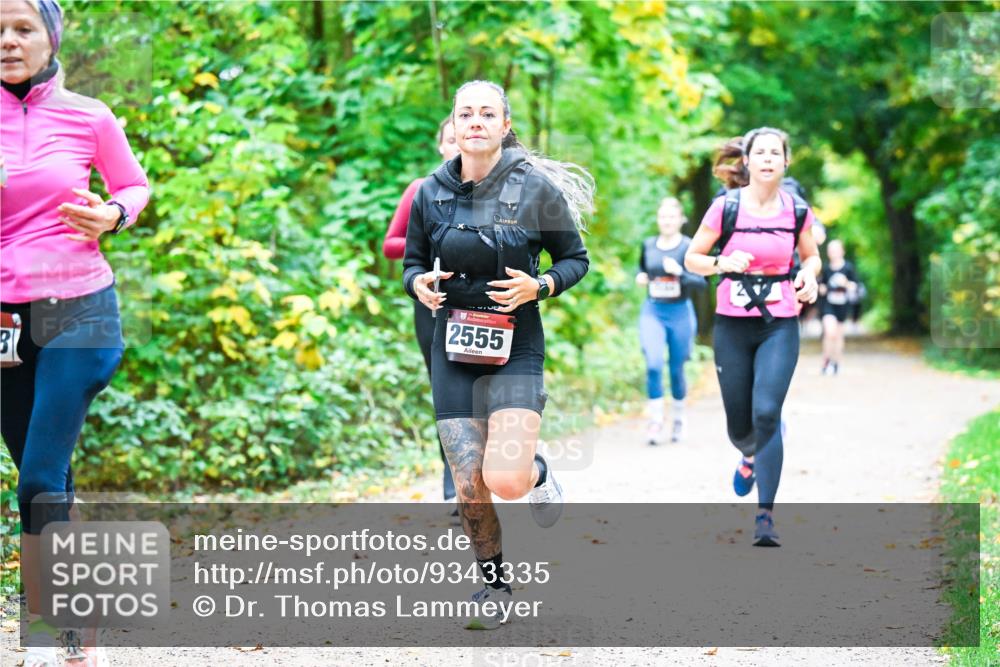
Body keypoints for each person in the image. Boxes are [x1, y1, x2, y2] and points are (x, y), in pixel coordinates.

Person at [402, 80, 591, 628]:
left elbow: (575, 259)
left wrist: (541, 286)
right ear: (454, 125)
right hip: (453, 343)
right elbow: (412, 263)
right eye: (466, 114)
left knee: (504, 479)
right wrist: (419, 285)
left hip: (515, 344)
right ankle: (494, 584)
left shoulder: (534, 188)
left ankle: (536, 472)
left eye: (487, 114)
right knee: (468, 481)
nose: (476, 122)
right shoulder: (430, 192)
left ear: (505, 126)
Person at [1, 1, 150, 664]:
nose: (8, 41)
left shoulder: (89, 115)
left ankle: (58, 625)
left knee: (36, 480)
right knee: (46, 478)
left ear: (51, 38)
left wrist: (113, 213)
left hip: (79, 307)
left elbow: (134, 185)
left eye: (23, 28)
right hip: (5, 321)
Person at [685, 127, 820, 547]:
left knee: (767, 413)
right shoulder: (725, 208)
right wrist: (722, 262)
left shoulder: (797, 210)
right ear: (746, 161)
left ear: (786, 162)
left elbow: (812, 257)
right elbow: (692, 258)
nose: (767, 159)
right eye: (759, 152)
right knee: (740, 425)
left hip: (779, 322)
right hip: (732, 325)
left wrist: (809, 275)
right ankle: (747, 454)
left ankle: (766, 516)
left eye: (774, 153)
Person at [383, 116, 460, 514]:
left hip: (481, 305)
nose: (458, 145)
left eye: (463, 138)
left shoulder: (494, 190)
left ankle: (491, 472)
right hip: (432, 303)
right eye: (451, 139)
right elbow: (391, 244)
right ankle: (454, 484)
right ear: (441, 146)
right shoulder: (421, 190)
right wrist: (428, 244)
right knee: (446, 393)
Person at [635, 197, 706, 444]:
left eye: (671, 217)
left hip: (680, 313)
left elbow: (702, 283)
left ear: (681, 220)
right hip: (653, 311)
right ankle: (655, 421)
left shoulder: (688, 247)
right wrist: (641, 277)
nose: (666, 221)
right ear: (658, 219)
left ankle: (678, 418)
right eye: (663, 216)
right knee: (654, 364)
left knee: (677, 369)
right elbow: (642, 269)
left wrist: (680, 272)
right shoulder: (648, 245)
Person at [818, 239, 859, 375]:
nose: (833, 253)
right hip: (828, 304)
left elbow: (855, 286)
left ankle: (836, 362)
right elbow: (821, 285)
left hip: (842, 305)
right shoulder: (826, 268)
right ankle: (826, 361)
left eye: (835, 250)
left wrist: (845, 283)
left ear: (842, 251)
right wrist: (822, 288)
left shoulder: (848, 267)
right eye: (830, 250)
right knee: (829, 332)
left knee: (839, 335)